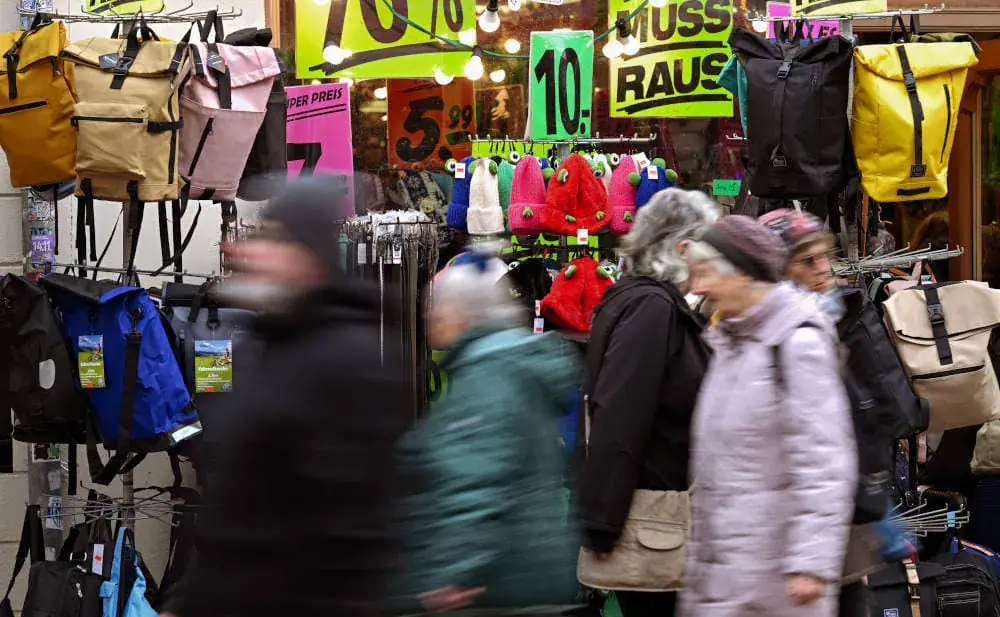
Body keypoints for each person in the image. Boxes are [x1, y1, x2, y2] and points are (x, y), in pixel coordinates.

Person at [159, 178, 410, 617]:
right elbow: (244, 507)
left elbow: (346, 531)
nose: (246, 254)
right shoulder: (282, 345)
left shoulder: (345, 359)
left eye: (272, 239)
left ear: (306, 256)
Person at [681, 215, 857, 617]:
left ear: (743, 274)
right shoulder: (730, 344)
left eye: (706, 273)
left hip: (777, 586)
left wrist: (811, 563)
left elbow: (824, 460)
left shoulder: (795, 343)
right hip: (727, 577)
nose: (697, 288)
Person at [757, 208, 930, 617]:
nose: (823, 270)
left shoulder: (833, 318)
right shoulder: (776, 336)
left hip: (831, 523)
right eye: (807, 260)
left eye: (824, 257)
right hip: (796, 530)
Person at [385, 253, 580, 614]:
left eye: (437, 307)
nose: (429, 316)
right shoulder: (507, 367)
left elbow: (475, 484)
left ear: (463, 314)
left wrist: (448, 574)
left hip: (494, 585)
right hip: (525, 572)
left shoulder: (488, 378)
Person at [576, 188, 717, 617]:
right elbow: (620, 416)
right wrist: (601, 524)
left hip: (658, 521)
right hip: (654, 527)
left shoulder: (640, 302)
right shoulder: (651, 309)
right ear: (681, 248)